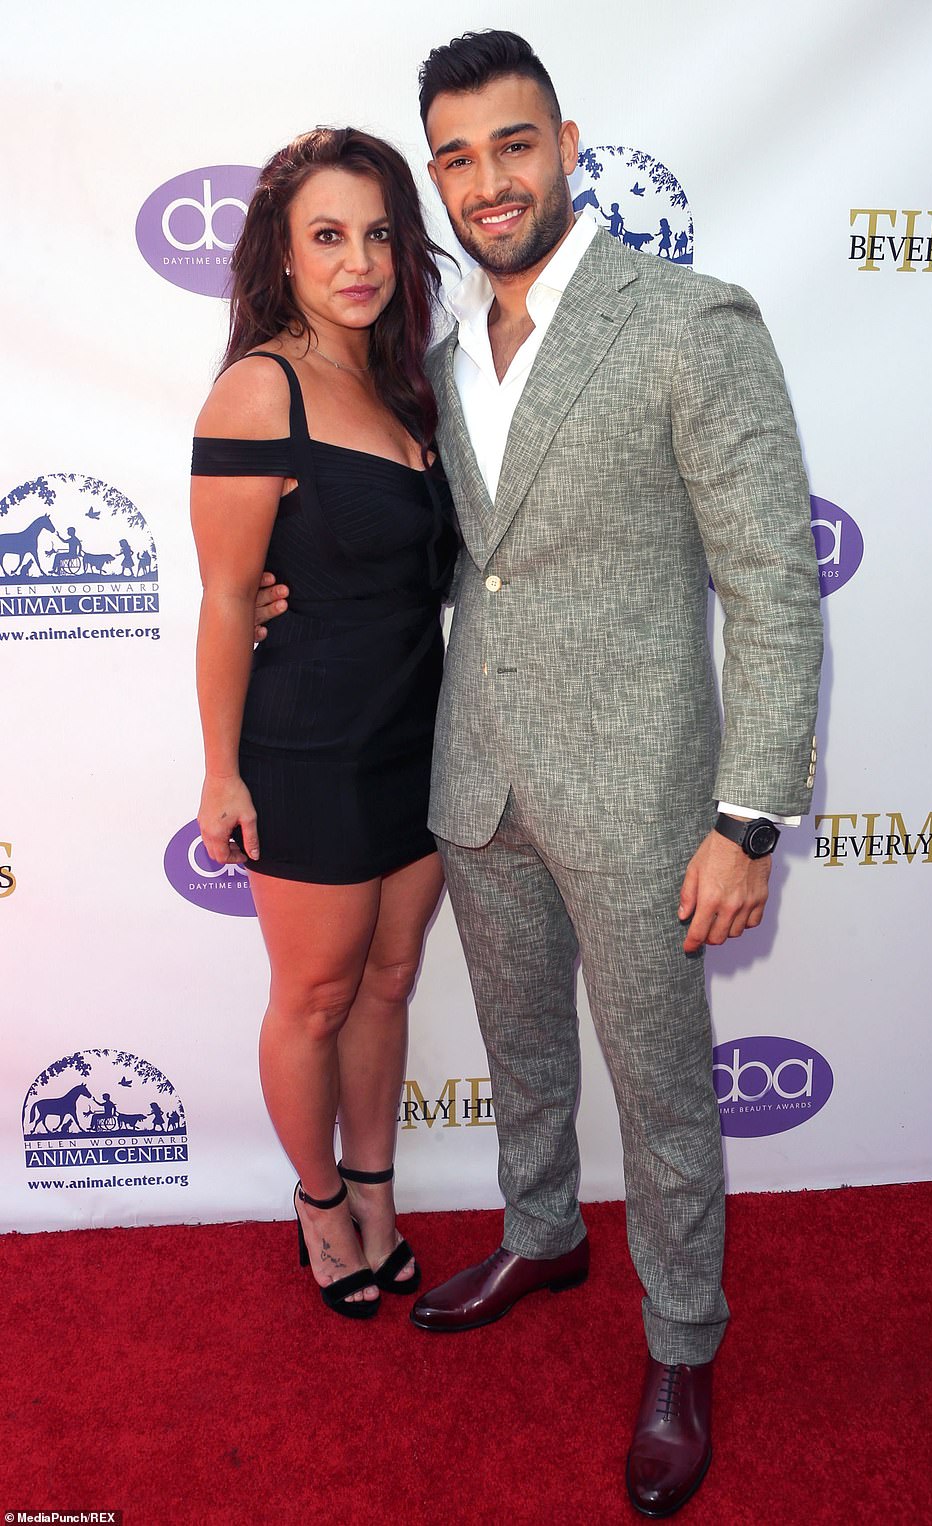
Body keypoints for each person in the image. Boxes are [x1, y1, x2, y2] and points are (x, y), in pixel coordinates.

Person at [256, 31, 822, 1515]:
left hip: (640, 791)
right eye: (454, 157)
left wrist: (746, 816)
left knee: (662, 1088)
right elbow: (432, 545)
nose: (485, 182)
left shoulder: (688, 322)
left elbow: (772, 580)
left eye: (511, 145)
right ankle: (542, 1230)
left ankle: (681, 1339)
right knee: (521, 1049)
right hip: (475, 775)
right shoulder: (436, 355)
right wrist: (272, 592)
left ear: (566, 146)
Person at [191, 127, 458, 1321]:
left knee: (389, 980)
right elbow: (225, 598)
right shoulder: (262, 387)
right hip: (305, 748)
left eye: (379, 234)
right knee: (312, 997)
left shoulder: (407, 385)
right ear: (284, 255)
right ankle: (315, 1204)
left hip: (418, 732)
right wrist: (220, 772)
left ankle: (376, 1191)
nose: (359, 261)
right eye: (329, 236)